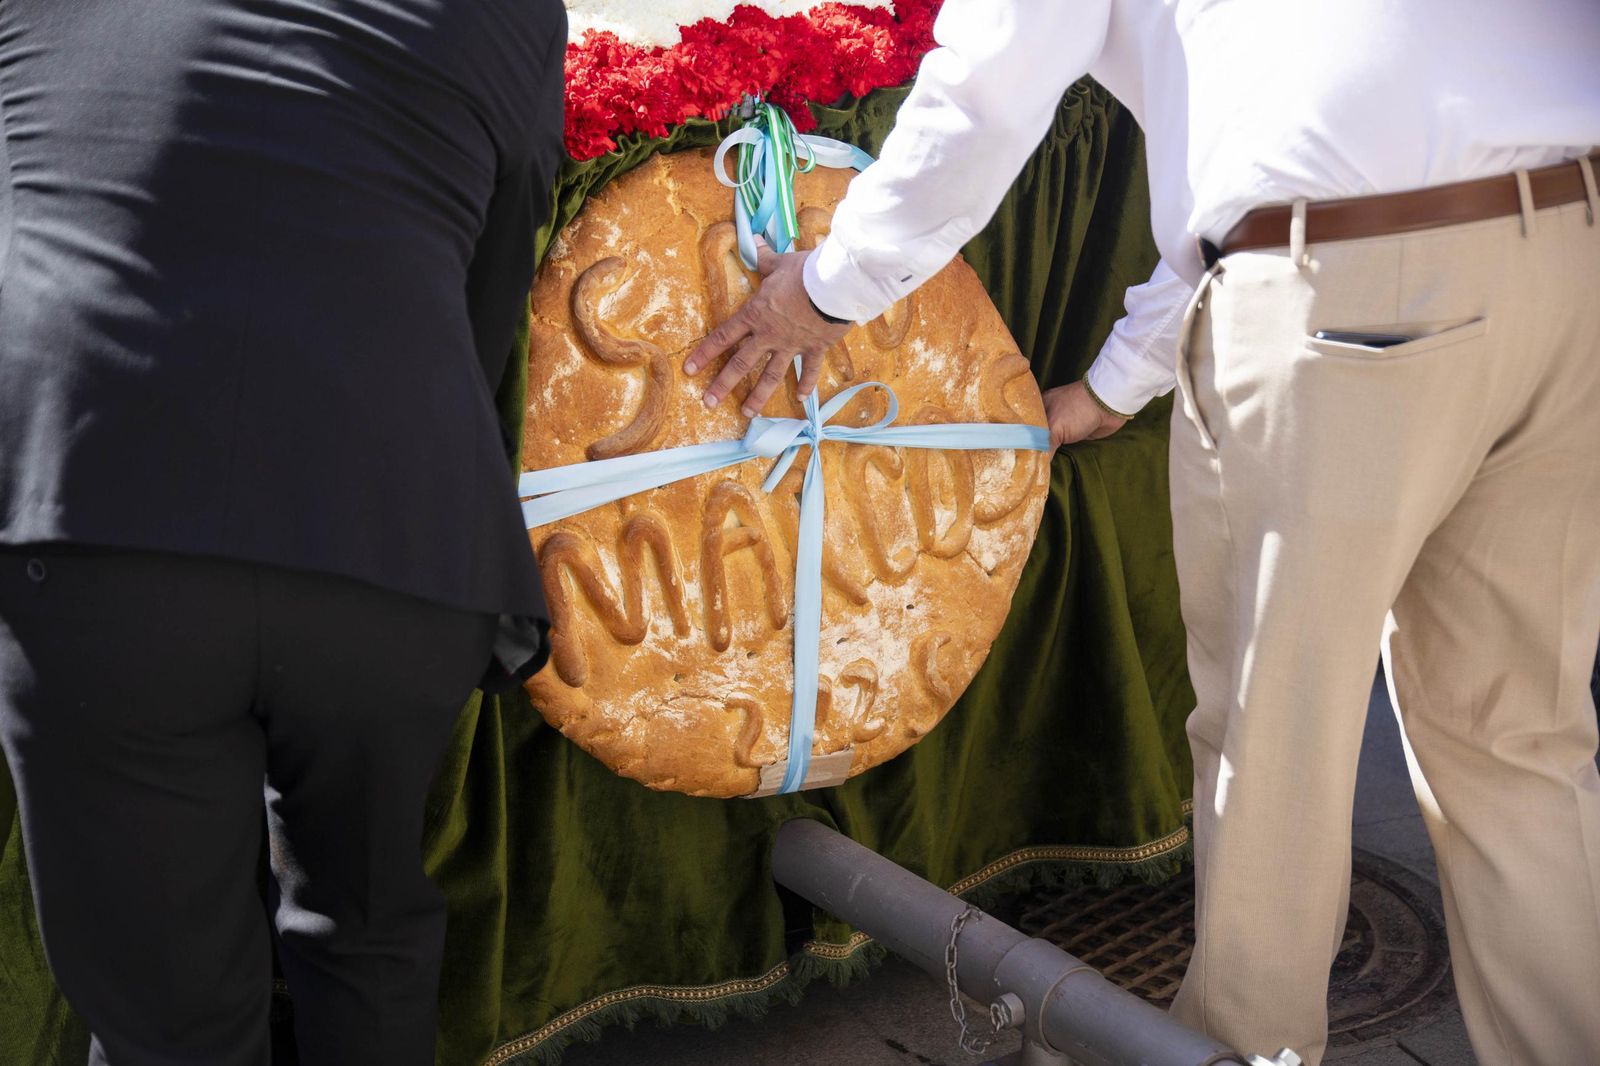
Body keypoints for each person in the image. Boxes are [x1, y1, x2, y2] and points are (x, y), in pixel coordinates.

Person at [686, 1, 1600, 1062]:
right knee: (1518, 741)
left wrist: (835, 288)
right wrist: (1123, 378)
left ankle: (1244, 1048)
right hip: (1568, 243)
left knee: (1276, 744)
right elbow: (1264, 146)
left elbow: (989, 82)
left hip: (1349, 286)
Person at [0, 1, 565, 1063]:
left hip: (99, 519)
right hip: (399, 532)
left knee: (169, 1013)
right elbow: (492, 287)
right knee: (370, 937)